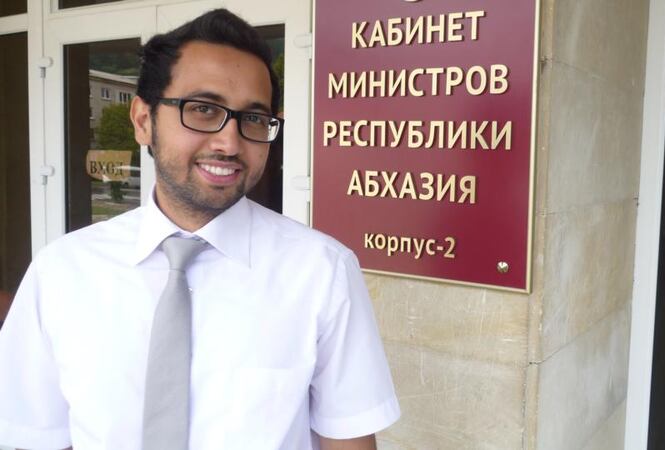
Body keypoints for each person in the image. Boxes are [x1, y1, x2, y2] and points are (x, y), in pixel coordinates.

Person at [0, 9, 399, 450]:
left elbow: (348, 439)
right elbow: (36, 435)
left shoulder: (321, 272)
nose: (229, 143)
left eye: (252, 119)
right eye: (203, 110)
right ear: (143, 120)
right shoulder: (62, 272)